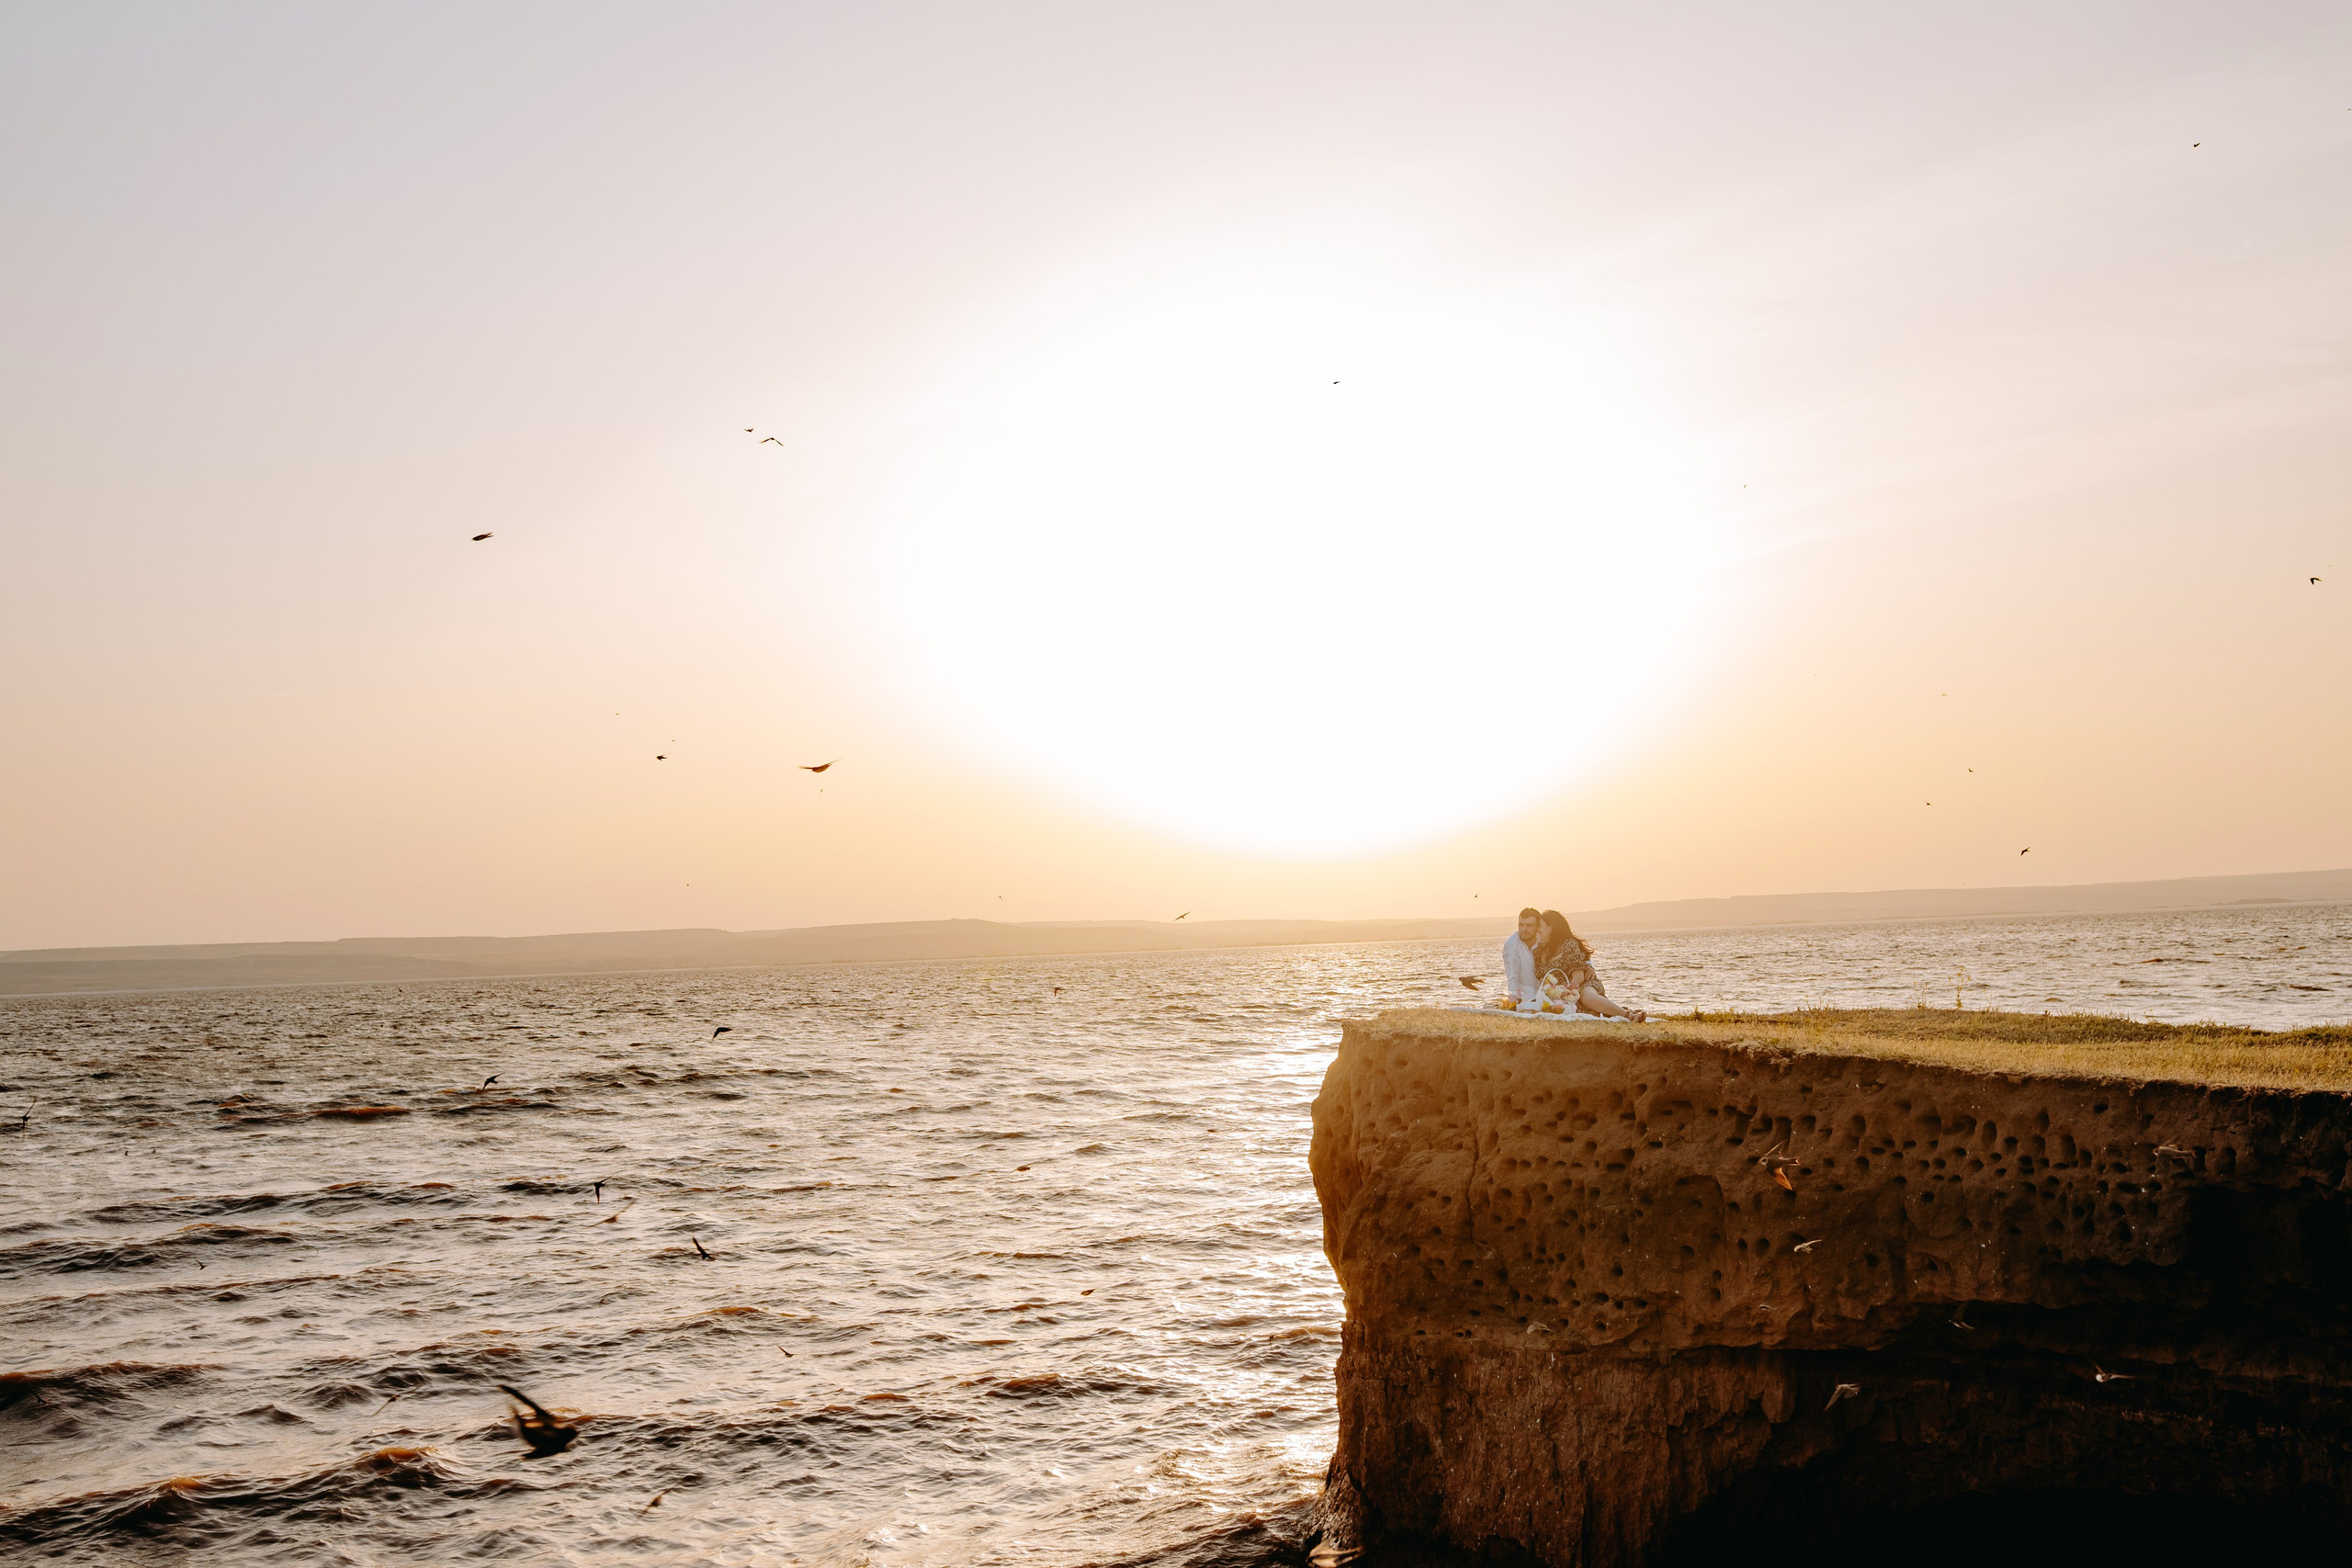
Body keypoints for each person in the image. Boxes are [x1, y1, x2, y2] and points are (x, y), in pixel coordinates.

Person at [1534, 910, 1648, 1022]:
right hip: (1558, 995)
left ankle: (1629, 1016)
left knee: (1586, 998)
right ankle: (1615, 1010)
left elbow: (1578, 979)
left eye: (1540, 926)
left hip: (1581, 986)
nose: (1537, 930)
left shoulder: (1569, 945)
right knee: (1585, 1013)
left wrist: (1564, 992)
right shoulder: (1539, 951)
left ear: (1551, 928)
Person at [1502, 908, 1543, 1010]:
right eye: (1521, 925)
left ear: (1538, 927)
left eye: (1529, 926)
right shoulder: (1512, 944)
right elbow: (1512, 978)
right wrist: (1513, 1007)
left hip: (1547, 995)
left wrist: (1587, 965)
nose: (1524, 929)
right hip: (1526, 998)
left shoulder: (1543, 939)